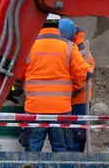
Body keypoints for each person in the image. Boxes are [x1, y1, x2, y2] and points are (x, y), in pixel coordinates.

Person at [16, 14, 91, 152]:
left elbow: (18, 76)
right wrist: (73, 88)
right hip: (60, 110)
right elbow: (84, 73)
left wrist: (17, 89)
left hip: (34, 109)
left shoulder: (30, 46)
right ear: (58, 25)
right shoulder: (69, 47)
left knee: (32, 149)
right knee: (61, 150)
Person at [58, 18, 95, 152]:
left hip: (79, 99)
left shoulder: (79, 48)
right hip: (70, 97)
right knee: (68, 133)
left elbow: (86, 72)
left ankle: (75, 163)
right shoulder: (71, 46)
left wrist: (73, 89)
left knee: (78, 135)